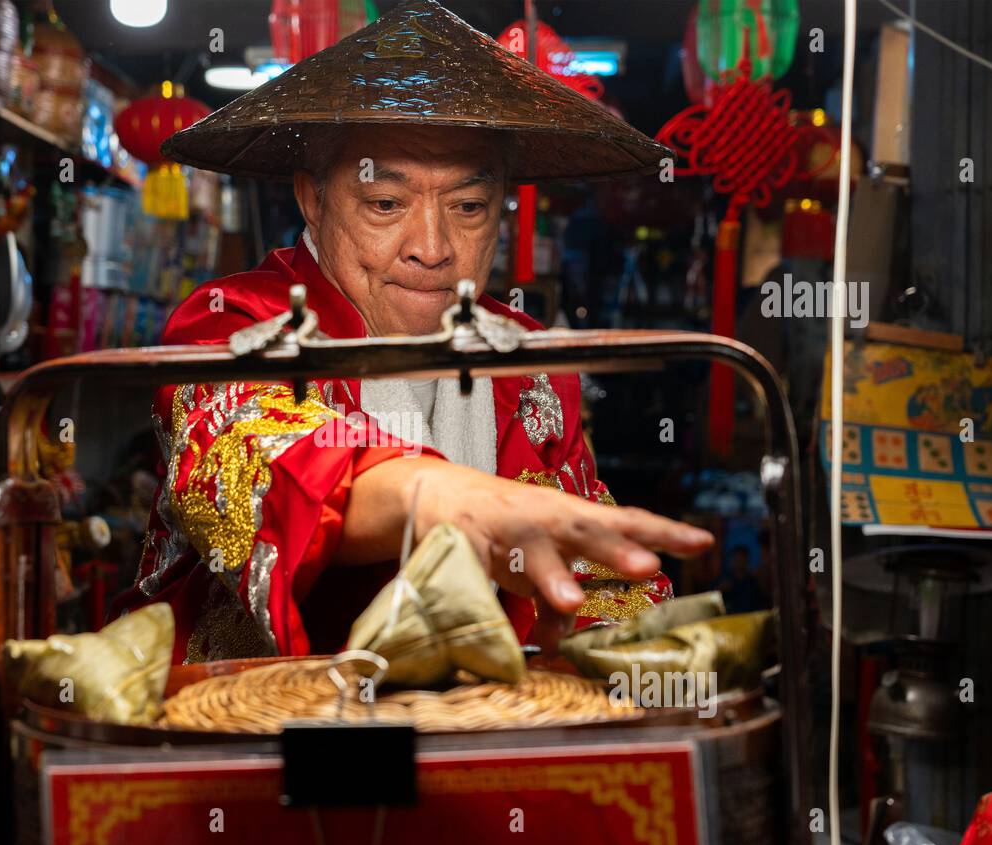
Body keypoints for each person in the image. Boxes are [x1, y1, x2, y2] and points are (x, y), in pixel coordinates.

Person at [117, 0, 714, 664]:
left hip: (476, 735)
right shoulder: (234, 321)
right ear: (312, 198)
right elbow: (253, 464)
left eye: (467, 206)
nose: (432, 248)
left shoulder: (527, 364)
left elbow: (583, 572)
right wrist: (437, 494)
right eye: (385, 203)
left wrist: (637, 656)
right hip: (255, 731)